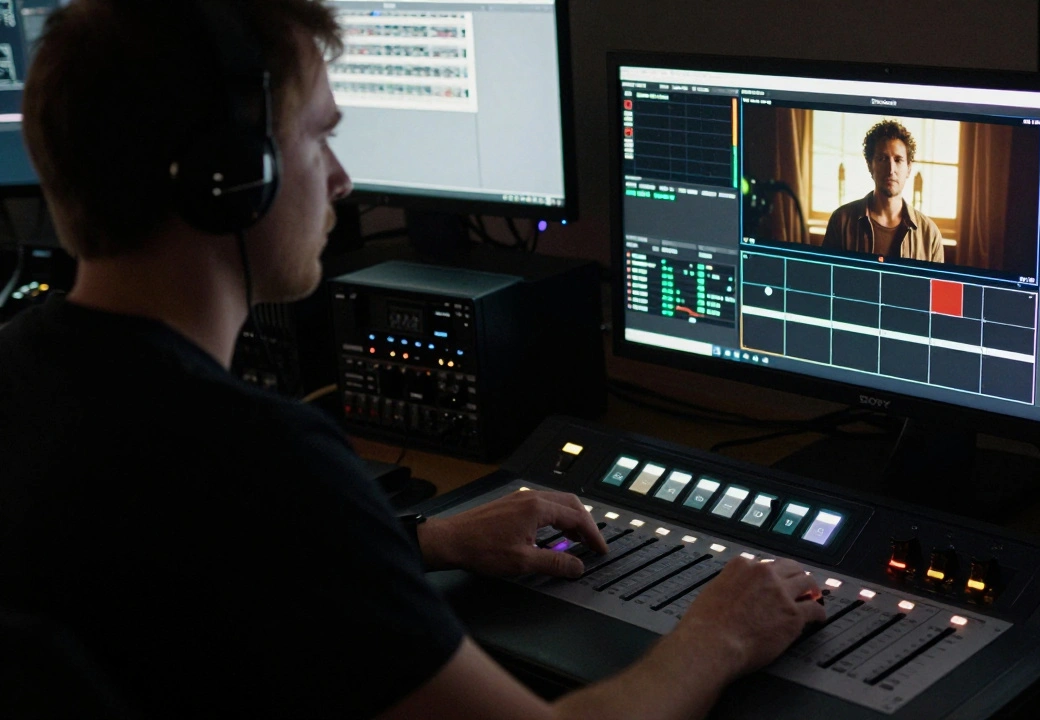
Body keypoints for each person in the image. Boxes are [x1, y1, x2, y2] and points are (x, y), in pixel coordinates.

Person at [0, 1, 825, 718]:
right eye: (319, 138)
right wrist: (718, 634)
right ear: (229, 178)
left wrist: (424, 541)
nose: (343, 180)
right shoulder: (266, 463)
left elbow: (173, 571)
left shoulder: (24, 372)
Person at [822, 119, 945, 263]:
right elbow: (826, 280)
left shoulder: (929, 234)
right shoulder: (841, 221)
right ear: (870, 165)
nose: (891, 170)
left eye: (898, 160)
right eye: (882, 159)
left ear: (909, 168)